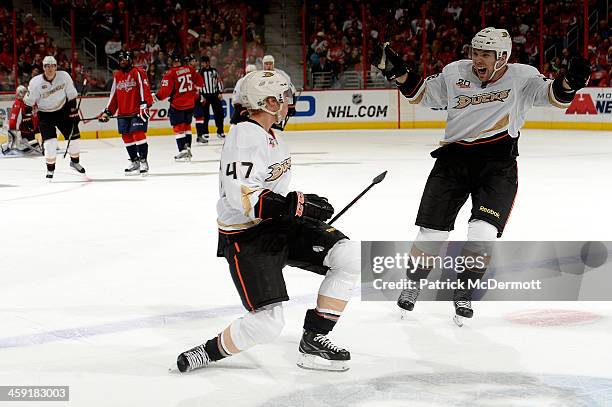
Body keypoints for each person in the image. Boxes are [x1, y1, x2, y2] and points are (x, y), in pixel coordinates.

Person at [372, 27, 590, 322]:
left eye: (485, 54)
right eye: (475, 53)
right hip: (453, 162)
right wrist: (399, 72)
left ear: (502, 57)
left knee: (482, 233)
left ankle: (463, 291)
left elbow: (554, 96)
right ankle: (412, 285)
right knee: (431, 234)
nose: (477, 60)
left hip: (497, 166)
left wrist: (570, 81)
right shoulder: (454, 72)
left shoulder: (523, 77)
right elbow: (423, 95)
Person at [175, 70, 360, 373]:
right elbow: (245, 199)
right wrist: (298, 205)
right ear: (270, 102)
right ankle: (206, 353)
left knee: (350, 257)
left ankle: (314, 341)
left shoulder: (272, 135)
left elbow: (274, 195)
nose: (289, 103)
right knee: (267, 325)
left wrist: (299, 205)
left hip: (278, 225)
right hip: (246, 237)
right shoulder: (245, 137)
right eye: (285, 98)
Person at [23, 56, 86, 180]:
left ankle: (74, 162)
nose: (50, 68)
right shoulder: (36, 82)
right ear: (43, 67)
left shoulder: (64, 76)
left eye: (52, 66)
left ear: (56, 67)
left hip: (62, 111)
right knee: (50, 144)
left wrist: (73, 113)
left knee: (75, 139)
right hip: (45, 115)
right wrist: (28, 118)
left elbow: (71, 95)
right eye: (47, 66)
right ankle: (50, 169)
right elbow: (28, 102)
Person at [97, 50, 154, 175]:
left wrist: (144, 104)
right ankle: (135, 161)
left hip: (137, 111)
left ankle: (143, 160)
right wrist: (108, 111)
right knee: (126, 137)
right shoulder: (117, 75)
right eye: (121, 59)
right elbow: (114, 95)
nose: (123, 61)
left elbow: (144, 87)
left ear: (130, 60)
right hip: (123, 112)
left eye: (125, 59)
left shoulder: (138, 72)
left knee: (138, 134)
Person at [154, 53, 203, 161]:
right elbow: (200, 82)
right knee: (187, 126)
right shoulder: (190, 69)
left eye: (170, 60)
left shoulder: (170, 73)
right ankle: (188, 149)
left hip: (178, 104)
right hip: (190, 103)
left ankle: (182, 151)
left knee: (178, 127)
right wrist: (194, 92)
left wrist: (155, 98)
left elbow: (165, 92)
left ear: (173, 61)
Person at [262, 55, 298, 130]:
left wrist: (291, 105)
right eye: (266, 64)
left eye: (270, 64)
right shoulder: (259, 76)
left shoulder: (281, 74)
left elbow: (290, 89)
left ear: (273, 64)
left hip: (278, 104)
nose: (268, 66)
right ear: (263, 65)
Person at [195, 55, 225, 142]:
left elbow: (219, 81)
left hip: (215, 95)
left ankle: (220, 131)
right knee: (205, 115)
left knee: (219, 113)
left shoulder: (214, 71)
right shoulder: (199, 72)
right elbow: (197, 84)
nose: (203, 64)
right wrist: (200, 94)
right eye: (202, 63)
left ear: (208, 63)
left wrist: (219, 92)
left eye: (204, 62)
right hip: (204, 96)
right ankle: (205, 132)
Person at [6, 85, 41, 153]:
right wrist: (14, 132)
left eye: (25, 92)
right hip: (24, 131)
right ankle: (11, 148)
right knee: (30, 144)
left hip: (29, 129)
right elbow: (13, 121)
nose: (25, 94)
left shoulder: (28, 102)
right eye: (24, 93)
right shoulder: (18, 104)